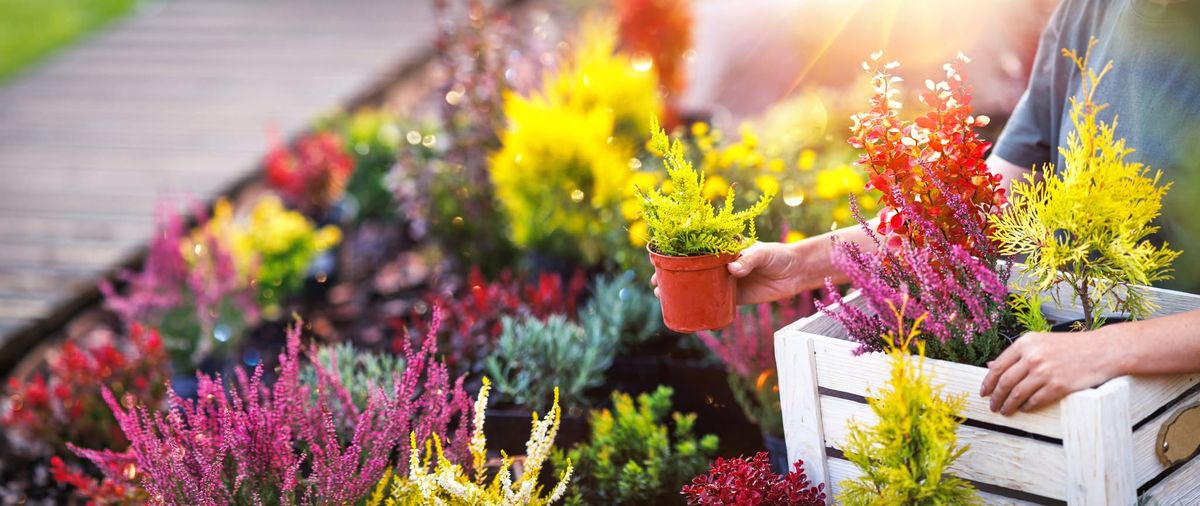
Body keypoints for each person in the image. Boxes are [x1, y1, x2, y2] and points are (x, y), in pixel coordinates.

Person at [654, 0, 1200, 416]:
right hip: (1083, 390)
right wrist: (801, 264)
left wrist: (1110, 349)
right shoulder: (1088, 11)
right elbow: (972, 211)